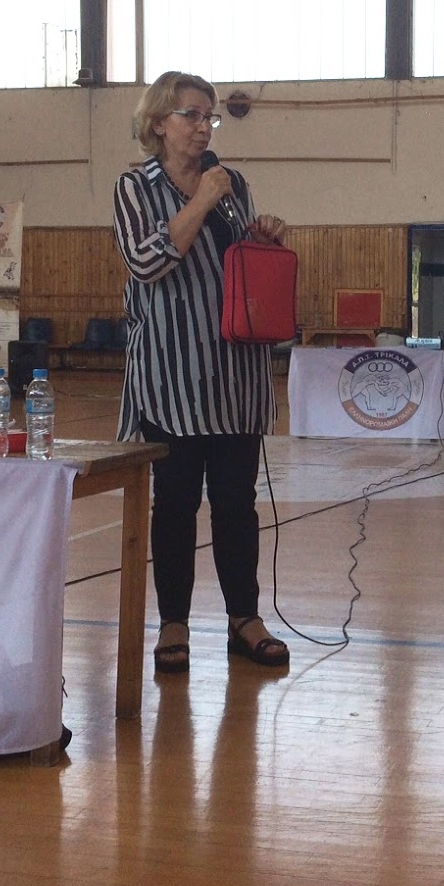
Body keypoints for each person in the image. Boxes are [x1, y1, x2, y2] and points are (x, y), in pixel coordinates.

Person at [113, 70, 290, 673]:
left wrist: (264, 238)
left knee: (238, 503)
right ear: (158, 122)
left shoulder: (232, 184)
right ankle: (174, 623)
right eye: (190, 114)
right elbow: (147, 263)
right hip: (172, 378)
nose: (203, 126)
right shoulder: (135, 188)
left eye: (208, 116)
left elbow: (240, 267)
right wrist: (203, 201)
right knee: (175, 505)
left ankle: (245, 619)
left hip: (235, 377)